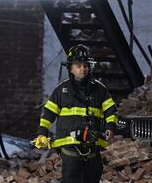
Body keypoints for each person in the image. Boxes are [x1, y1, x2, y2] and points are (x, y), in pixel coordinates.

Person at [34, 44, 118, 183]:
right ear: (70, 68)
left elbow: (111, 110)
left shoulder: (99, 89)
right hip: (70, 151)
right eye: (78, 65)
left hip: (93, 149)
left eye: (85, 65)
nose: (83, 69)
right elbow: (48, 113)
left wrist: (110, 127)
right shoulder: (61, 91)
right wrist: (42, 132)